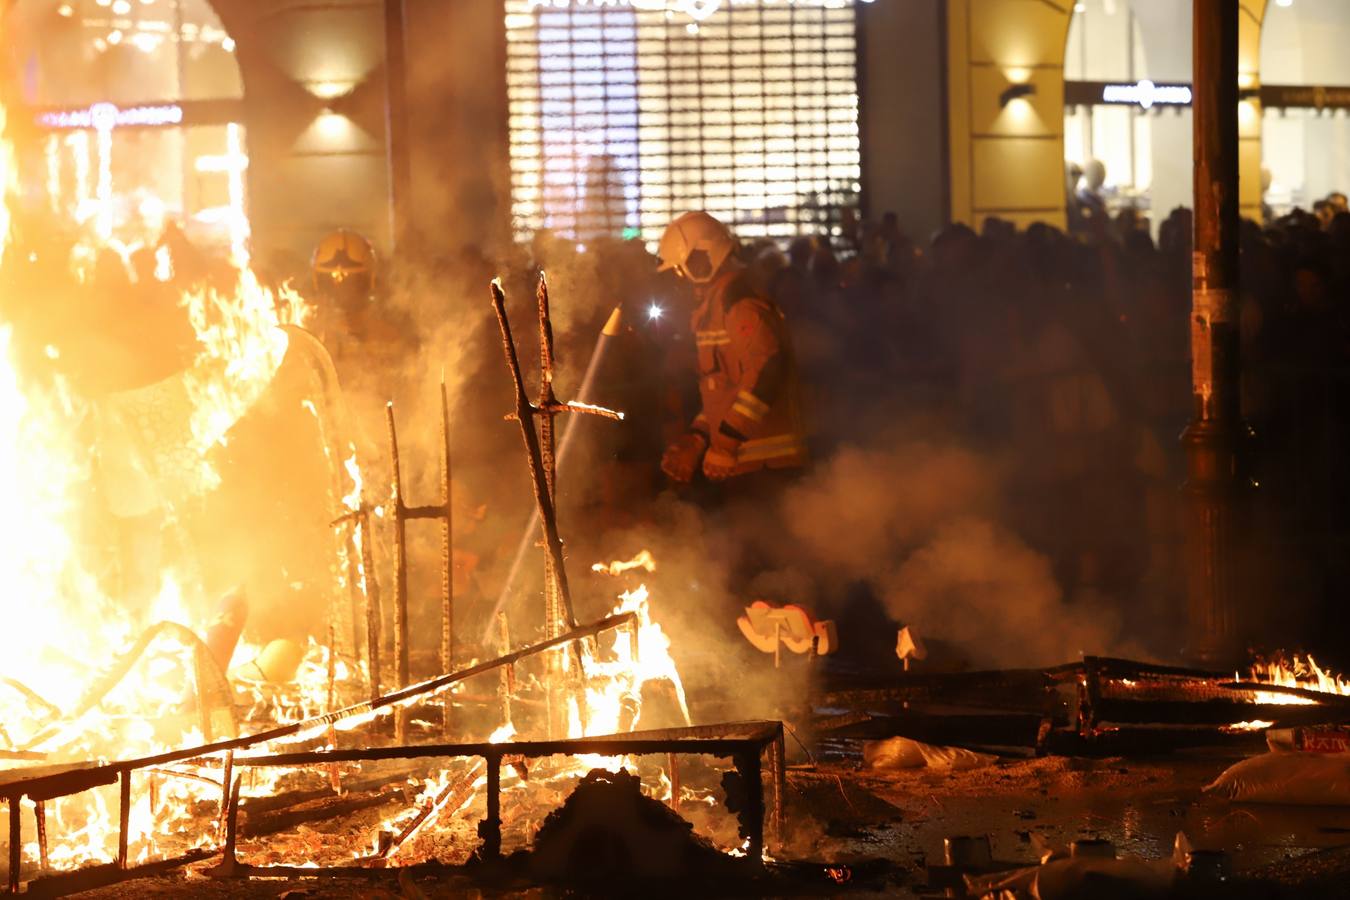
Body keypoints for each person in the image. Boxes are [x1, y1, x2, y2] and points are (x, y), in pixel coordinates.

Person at [656, 211, 808, 486]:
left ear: (702, 260)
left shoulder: (740, 306)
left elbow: (768, 370)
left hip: (767, 468)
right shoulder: (716, 309)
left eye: (681, 269)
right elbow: (725, 391)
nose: (681, 279)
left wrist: (726, 443)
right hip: (745, 465)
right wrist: (697, 439)